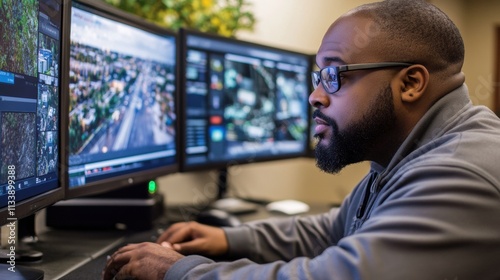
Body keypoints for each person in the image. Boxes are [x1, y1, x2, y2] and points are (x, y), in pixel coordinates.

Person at [103, 0, 500, 279]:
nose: (314, 96)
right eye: (317, 77)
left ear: (411, 83)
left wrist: (176, 270)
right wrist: (227, 237)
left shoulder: (458, 171)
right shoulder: (407, 154)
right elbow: (334, 230)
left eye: (334, 75)